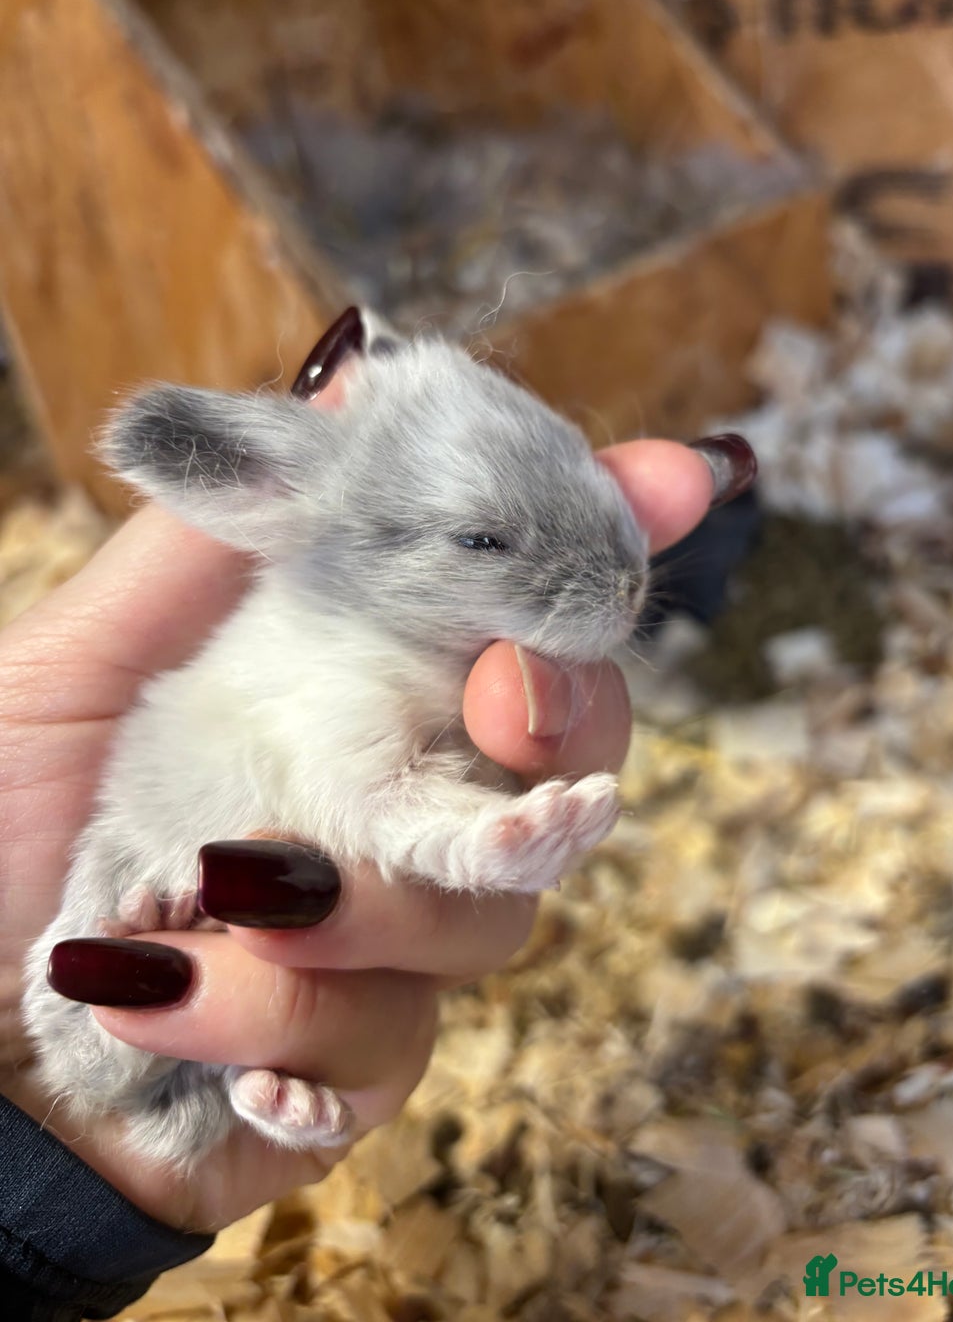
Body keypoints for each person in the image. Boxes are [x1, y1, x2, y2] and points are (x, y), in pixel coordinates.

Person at [0, 337, 744, 1320]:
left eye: (586, 479)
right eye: (484, 541)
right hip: (139, 879)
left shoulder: (450, 656)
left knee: (251, 1025)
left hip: (132, 1099)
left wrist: (63, 1210)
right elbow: (368, 799)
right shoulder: (327, 653)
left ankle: (226, 1085)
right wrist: (487, 840)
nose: (622, 580)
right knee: (114, 989)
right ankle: (157, 1060)